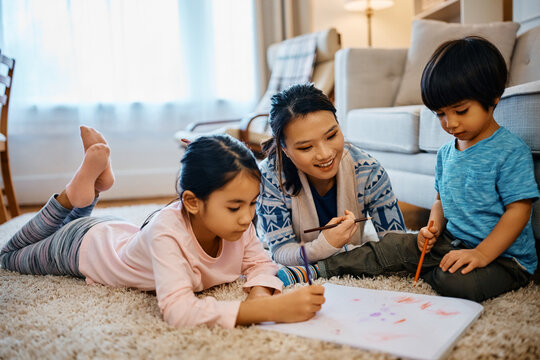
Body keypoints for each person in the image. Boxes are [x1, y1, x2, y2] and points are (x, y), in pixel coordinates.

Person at [278, 36, 539, 302]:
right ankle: (317, 269)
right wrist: (432, 229)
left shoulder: (510, 151)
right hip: (454, 242)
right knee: (393, 245)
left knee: (456, 283)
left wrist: (482, 254)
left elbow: (519, 211)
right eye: (440, 114)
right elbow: (440, 201)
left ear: (493, 98)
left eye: (461, 111)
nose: (450, 123)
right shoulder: (447, 152)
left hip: (505, 260)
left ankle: (429, 269)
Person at [0, 127, 325, 328]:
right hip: (78, 249)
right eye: (235, 206)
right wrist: (264, 312)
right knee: (7, 255)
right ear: (193, 202)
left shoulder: (237, 222)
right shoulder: (167, 229)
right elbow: (178, 311)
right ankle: (75, 194)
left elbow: (260, 262)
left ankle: (87, 191)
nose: (247, 216)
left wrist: (260, 297)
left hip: (118, 231)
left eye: (253, 203)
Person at [256, 83, 406, 284]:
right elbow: (281, 252)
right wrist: (326, 245)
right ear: (285, 150)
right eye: (306, 147)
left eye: (332, 135)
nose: (325, 154)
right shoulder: (270, 177)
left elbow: (396, 244)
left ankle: (318, 270)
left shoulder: (368, 170)